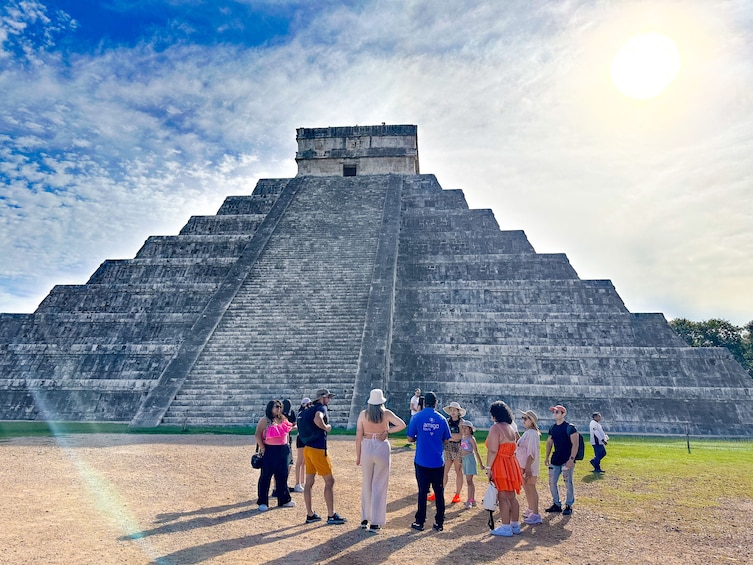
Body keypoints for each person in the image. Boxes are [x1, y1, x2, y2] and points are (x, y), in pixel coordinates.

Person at [355, 389, 406, 533]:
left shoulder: (363, 414)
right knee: (379, 484)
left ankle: (365, 518)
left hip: (366, 445)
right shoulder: (386, 414)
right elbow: (402, 424)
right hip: (381, 445)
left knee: (367, 483)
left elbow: (358, 436)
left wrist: (358, 455)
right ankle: (376, 522)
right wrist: (387, 431)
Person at [406, 391, 451, 532]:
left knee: (422, 492)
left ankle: (420, 521)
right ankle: (439, 522)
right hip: (437, 461)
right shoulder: (442, 419)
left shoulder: (417, 417)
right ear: (436, 403)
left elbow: (409, 438)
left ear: (424, 403)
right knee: (439, 491)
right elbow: (446, 439)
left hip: (421, 460)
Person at [303, 389, 346, 525]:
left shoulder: (308, 409)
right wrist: (326, 427)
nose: (329, 400)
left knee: (309, 482)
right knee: (329, 481)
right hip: (318, 448)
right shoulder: (321, 408)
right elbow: (318, 418)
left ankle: (310, 514)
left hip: (307, 448)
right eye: (328, 397)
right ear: (322, 398)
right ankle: (331, 515)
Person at [486, 400, 523, 536]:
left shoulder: (496, 428)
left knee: (502, 496)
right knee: (511, 496)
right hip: (511, 463)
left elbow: (493, 450)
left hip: (501, 463)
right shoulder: (510, 427)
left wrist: (488, 467)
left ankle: (506, 527)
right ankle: (514, 525)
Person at [254, 400, 296, 511]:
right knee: (266, 476)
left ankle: (284, 499)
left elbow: (288, 430)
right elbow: (257, 434)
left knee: (282, 475)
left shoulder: (282, 418)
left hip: (283, 449)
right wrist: (262, 448)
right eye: (276, 406)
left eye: (280, 407)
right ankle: (263, 502)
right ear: (270, 407)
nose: (278, 409)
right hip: (270, 450)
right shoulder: (265, 420)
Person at [544, 404, 579, 516]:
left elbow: (575, 444)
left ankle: (568, 505)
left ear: (563, 414)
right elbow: (549, 443)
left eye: (557, 412)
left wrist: (572, 459)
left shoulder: (570, 428)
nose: (554, 414)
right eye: (554, 412)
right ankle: (556, 504)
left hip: (567, 460)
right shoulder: (552, 428)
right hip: (556, 459)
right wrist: (547, 457)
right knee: (552, 482)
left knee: (568, 483)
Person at [434, 401, 465, 504]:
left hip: (457, 449)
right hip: (448, 448)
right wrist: (452, 437)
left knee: (458, 471)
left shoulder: (461, 422)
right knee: (443, 472)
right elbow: (445, 435)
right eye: (451, 410)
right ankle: (439, 492)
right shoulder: (447, 421)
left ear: (458, 411)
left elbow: (460, 437)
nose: (452, 412)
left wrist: (450, 436)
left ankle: (457, 494)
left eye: (454, 410)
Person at [516, 409, 542, 525]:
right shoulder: (528, 433)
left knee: (531, 487)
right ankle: (531, 509)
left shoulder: (531, 434)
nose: (523, 421)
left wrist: (527, 468)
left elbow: (531, 453)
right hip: (523, 465)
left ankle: (536, 513)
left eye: (525, 418)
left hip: (528, 465)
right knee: (527, 487)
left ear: (531, 421)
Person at [459, 420, 485, 509]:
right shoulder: (463, 438)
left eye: (465, 428)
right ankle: (472, 499)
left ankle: (469, 500)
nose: (464, 430)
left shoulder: (471, 439)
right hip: (464, 459)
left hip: (470, 459)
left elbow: (476, 451)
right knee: (468, 481)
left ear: (470, 429)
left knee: (469, 481)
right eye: (463, 428)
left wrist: (481, 464)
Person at [292, 397, 311, 493]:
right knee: (299, 461)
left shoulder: (307, 413)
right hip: (302, 438)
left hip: (307, 438)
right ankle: (297, 483)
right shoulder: (301, 414)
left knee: (304, 462)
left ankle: (302, 482)